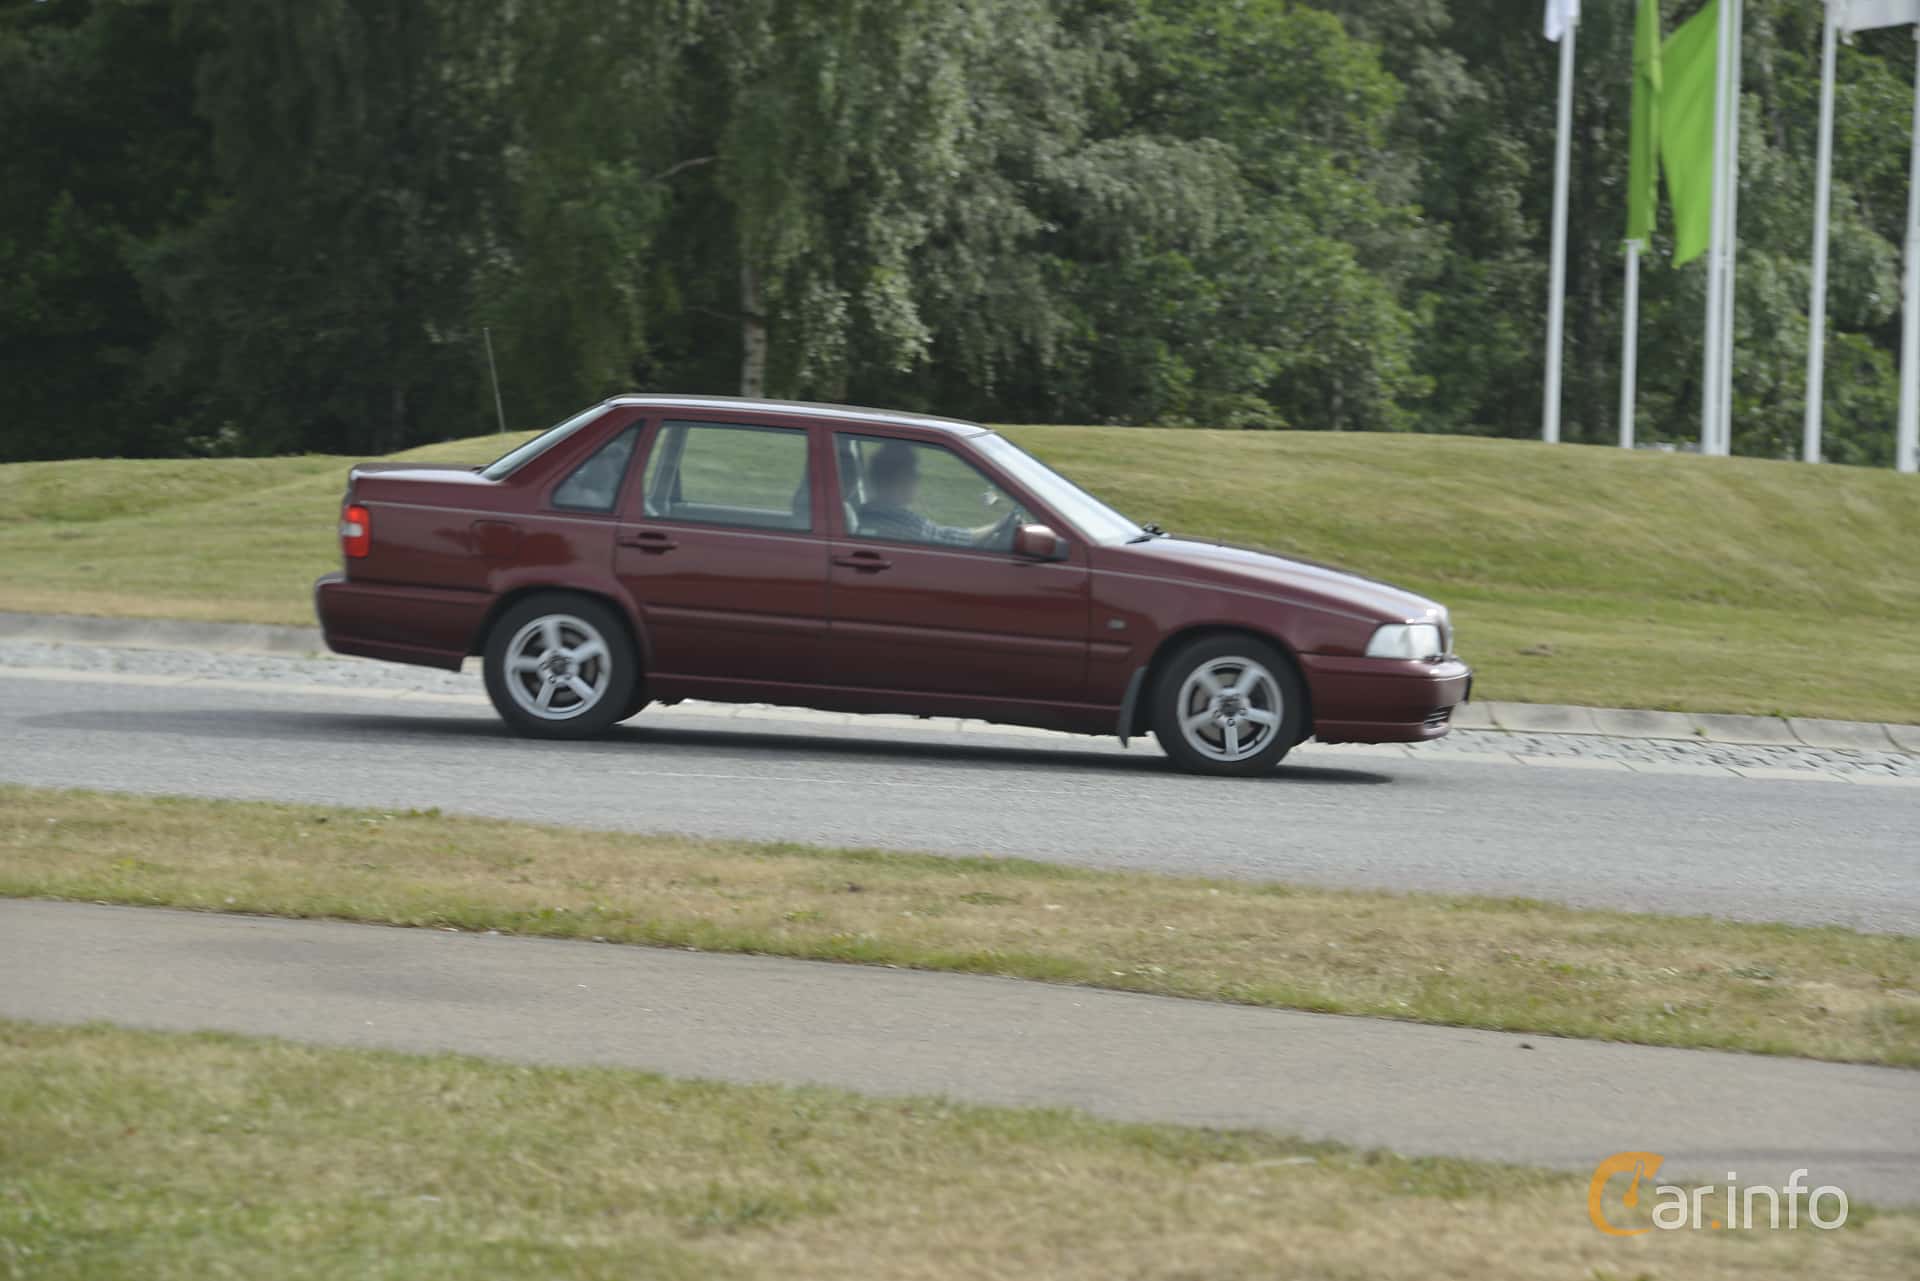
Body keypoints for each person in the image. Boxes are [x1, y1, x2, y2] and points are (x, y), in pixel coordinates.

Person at [855, 440, 1015, 548]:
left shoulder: (866, 512)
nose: (918, 478)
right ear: (898, 478)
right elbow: (946, 538)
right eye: (912, 472)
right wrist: (998, 525)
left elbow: (940, 534)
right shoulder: (897, 520)